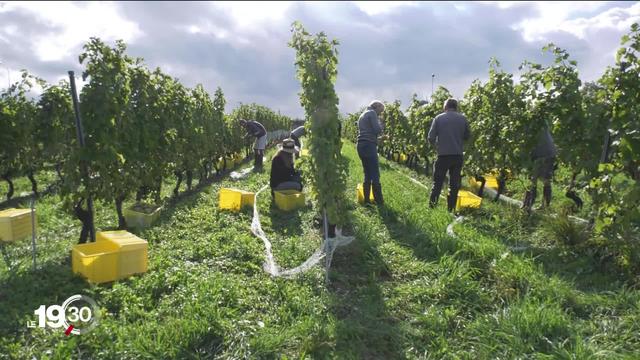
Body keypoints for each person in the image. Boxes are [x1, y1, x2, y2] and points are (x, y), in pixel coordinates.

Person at [427, 98, 471, 212]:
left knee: (438, 183)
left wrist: (437, 146)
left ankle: (432, 207)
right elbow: (467, 136)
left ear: (445, 106)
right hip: (457, 155)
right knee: (454, 184)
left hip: (443, 155)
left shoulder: (438, 118)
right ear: (456, 107)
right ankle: (450, 209)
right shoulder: (463, 118)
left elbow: (430, 137)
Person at [522, 124, 557, 211]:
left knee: (533, 180)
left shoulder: (530, 122)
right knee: (545, 180)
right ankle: (543, 206)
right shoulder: (542, 120)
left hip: (541, 152)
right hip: (549, 151)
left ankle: (528, 205)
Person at [357, 100, 385, 205]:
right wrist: (382, 123)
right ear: (376, 106)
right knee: (375, 173)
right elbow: (377, 130)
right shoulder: (372, 113)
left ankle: (367, 200)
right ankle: (379, 200)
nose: (379, 114)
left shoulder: (363, 115)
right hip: (369, 146)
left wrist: (380, 139)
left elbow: (367, 134)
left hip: (361, 145)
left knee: (367, 173)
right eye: (380, 111)